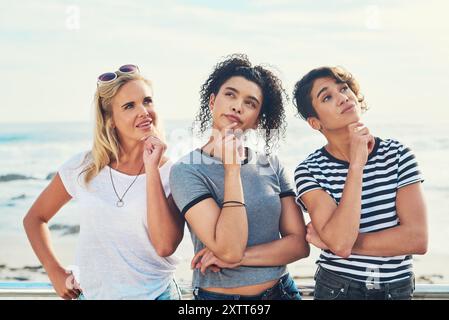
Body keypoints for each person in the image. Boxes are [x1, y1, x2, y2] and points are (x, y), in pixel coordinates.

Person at [23, 65, 184, 300]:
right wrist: (54, 271)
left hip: (156, 295)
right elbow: (34, 218)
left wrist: (151, 168)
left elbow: (164, 246)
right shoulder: (83, 167)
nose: (144, 111)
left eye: (147, 101)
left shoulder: (173, 173)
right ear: (110, 120)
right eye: (129, 106)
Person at [169, 54, 310, 300]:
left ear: (257, 121)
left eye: (250, 103)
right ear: (212, 101)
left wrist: (240, 257)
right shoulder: (187, 171)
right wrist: (232, 170)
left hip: (283, 291)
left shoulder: (270, 165)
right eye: (230, 95)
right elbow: (229, 248)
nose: (237, 106)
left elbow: (299, 245)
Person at [292, 66, 428, 300]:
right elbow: (341, 243)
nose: (342, 97)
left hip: (396, 289)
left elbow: (417, 239)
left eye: (343, 88)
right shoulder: (309, 170)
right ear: (315, 122)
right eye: (327, 96)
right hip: (337, 288)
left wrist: (334, 242)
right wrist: (356, 166)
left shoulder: (398, 155)